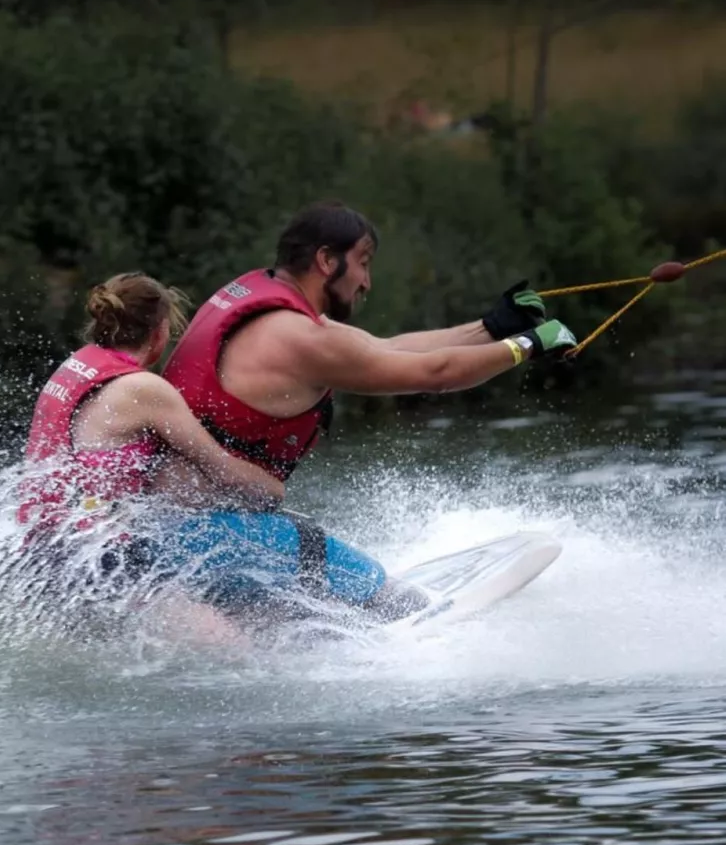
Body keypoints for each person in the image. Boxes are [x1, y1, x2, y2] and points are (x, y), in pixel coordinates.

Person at [155, 199, 581, 622]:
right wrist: (528, 345)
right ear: (326, 260)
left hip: (175, 530)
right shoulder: (300, 339)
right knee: (403, 609)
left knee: (305, 611)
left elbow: (383, 349)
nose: (366, 282)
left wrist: (490, 328)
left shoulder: (267, 304)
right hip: (207, 535)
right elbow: (435, 373)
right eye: (363, 262)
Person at [17, 273, 285, 635]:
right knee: (235, 651)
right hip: (102, 559)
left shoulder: (77, 365)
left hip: (43, 553)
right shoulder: (144, 389)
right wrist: (273, 491)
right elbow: (222, 470)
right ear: (159, 333)